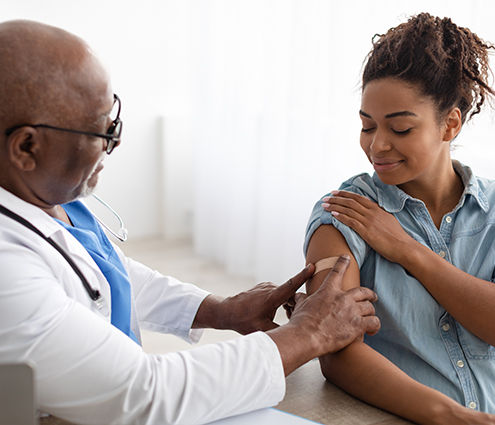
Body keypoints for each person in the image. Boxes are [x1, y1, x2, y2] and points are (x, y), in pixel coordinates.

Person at [0, 19, 381, 425]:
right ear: (26, 147)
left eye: (114, 116)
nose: (116, 139)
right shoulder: (8, 270)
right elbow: (146, 394)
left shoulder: (42, 194)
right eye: (102, 130)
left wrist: (219, 310)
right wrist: (307, 334)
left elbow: (103, 273)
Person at [304, 12, 495, 425]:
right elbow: (336, 350)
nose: (377, 145)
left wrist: (409, 251)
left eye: (401, 128)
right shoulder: (343, 214)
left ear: (450, 124)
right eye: (367, 126)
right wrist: (454, 417)